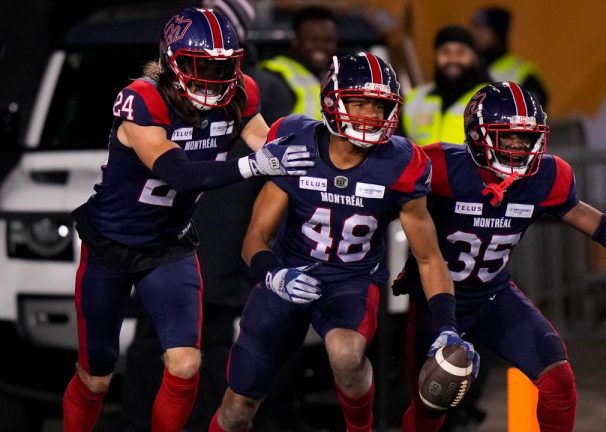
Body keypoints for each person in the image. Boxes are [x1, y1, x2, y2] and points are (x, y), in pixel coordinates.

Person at [393, 82, 606, 432]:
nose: (519, 148)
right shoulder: (439, 165)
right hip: (435, 300)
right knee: (432, 406)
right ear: (478, 134)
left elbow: (601, 226)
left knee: (558, 382)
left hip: (493, 295)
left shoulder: (546, 177)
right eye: (508, 138)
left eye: (526, 138)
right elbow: (379, 206)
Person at [61, 7, 314, 432]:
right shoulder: (143, 99)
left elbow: (265, 142)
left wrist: (314, 166)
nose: (214, 80)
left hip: (169, 245)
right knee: (96, 375)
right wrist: (255, 166)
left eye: (222, 67)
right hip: (110, 245)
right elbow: (176, 172)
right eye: (201, 67)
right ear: (171, 62)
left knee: (185, 364)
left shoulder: (240, 93)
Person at [208, 52, 478, 432]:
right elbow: (255, 238)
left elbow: (430, 258)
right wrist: (274, 275)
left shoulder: (402, 162)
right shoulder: (296, 140)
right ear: (332, 100)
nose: (369, 114)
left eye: (378, 105)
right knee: (237, 409)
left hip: (352, 279)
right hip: (288, 269)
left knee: (346, 355)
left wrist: (447, 326)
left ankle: (360, 428)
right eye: (359, 102)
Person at [402, 25, 489, 146]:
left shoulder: (488, 98)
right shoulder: (415, 98)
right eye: (445, 52)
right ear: (436, 56)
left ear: (474, 57)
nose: (453, 59)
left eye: (460, 52)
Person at [256, 5, 338, 120]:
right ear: (296, 41)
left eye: (328, 40)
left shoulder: (335, 75)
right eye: (313, 40)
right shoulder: (273, 77)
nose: (321, 46)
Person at [470, 6, 548, 110]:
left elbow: (536, 113)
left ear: (498, 34)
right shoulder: (469, 67)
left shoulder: (522, 72)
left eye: (484, 30)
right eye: (475, 28)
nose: (477, 34)